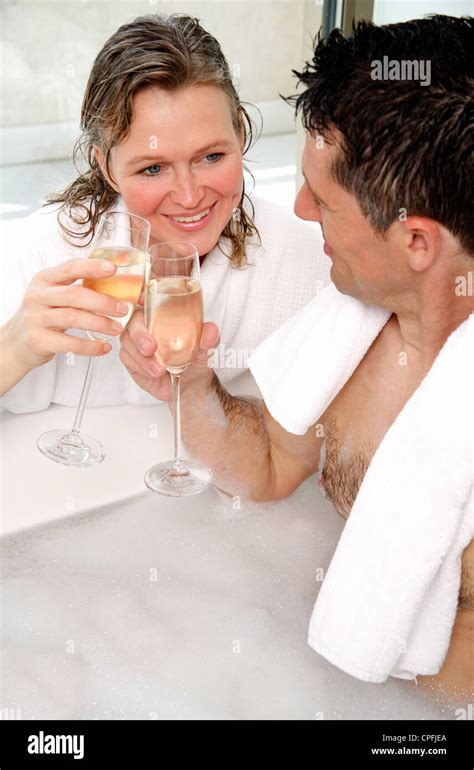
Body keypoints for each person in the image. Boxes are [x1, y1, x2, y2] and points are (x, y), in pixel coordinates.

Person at [120, 16, 474, 698]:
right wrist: (191, 389)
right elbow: (277, 464)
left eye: (325, 199)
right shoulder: (356, 317)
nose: (300, 209)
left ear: (418, 244)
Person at [0, 13, 330, 410]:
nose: (190, 197)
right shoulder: (42, 258)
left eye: (211, 156)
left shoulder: (302, 258)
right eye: (153, 168)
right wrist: (13, 350)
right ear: (106, 167)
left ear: (240, 135)